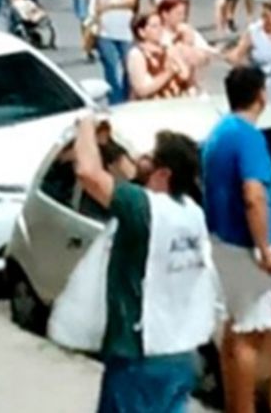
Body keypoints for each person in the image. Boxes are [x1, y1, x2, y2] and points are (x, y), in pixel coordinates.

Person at [72, 115, 217, 413]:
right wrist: (108, 145)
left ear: (163, 173)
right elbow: (128, 172)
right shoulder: (191, 212)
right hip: (180, 350)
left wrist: (84, 124)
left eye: (149, 156)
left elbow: (88, 173)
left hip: (139, 351)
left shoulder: (144, 208)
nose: (142, 158)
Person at [202, 65, 271, 413]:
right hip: (245, 247)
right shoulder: (248, 136)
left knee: (235, 328)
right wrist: (265, 247)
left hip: (224, 241)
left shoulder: (218, 133)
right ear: (261, 94)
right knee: (249, 333)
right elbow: (253, 194)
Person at [93, 0, 138, 104]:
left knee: (129, 67)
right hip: (105, 29)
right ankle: (116, 102)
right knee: (111, 68)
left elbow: (131, 0)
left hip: (125, 28)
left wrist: (110, 4)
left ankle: (127, 97)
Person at [126, 12, 193, 100]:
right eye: (154, 26)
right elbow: (141, 90)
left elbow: (185, 75)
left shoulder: (168, 49)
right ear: (141, 32)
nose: (160, 29)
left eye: (161, 25)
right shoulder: (137, 54)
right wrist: (168, 73)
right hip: (154, 107)